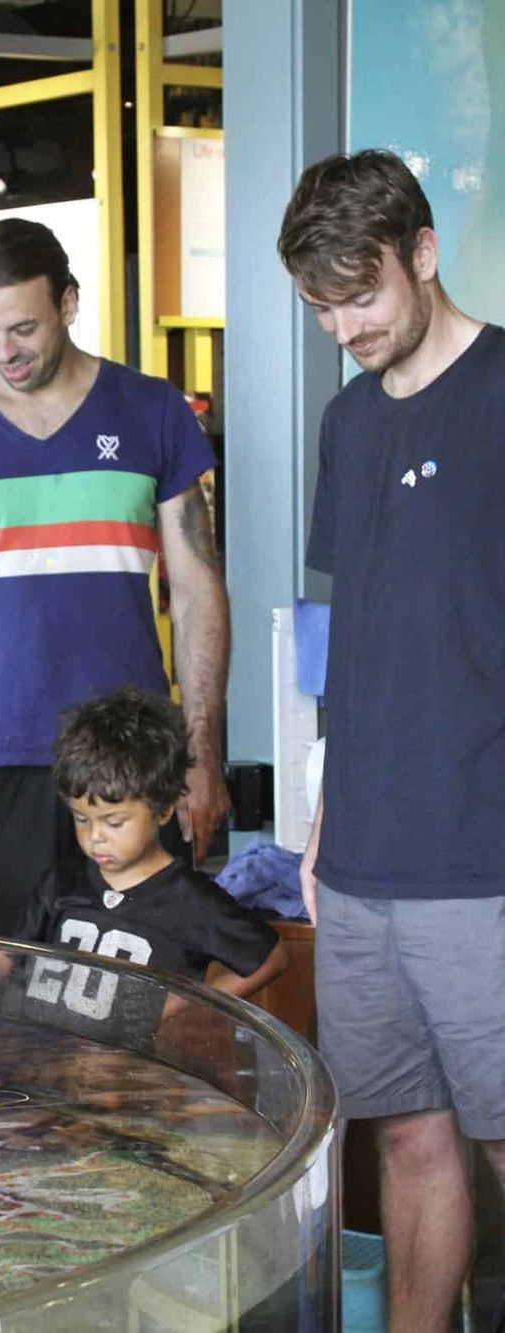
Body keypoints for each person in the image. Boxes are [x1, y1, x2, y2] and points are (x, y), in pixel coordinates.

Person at [278, 149, 505, 1333]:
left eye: (357, 297)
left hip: (487, 863)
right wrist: (322, 825)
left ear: (422, 253)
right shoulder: (347, 422)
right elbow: (349, 642)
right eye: (319, 307)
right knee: (409, 1141)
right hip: (363, 864)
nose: (341, 328)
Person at [0, 218, 231, 935]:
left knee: (133, 1005)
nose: (4, 351)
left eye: (23, 328)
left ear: (68, 303)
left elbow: (198, 591)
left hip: (134, 765)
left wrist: (202, 756)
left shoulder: (152, 410)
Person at [0, 687, 285, 1033]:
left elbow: (271, 958)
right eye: (81, 819)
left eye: (114, 822)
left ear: (165, 808)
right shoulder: (60, 883)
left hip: (121, 1089)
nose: (95, 836)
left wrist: (180, 1005)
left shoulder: (190, 900)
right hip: (40, 1069)